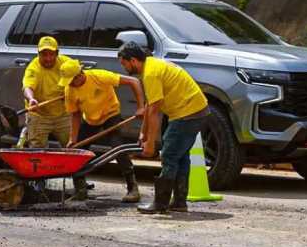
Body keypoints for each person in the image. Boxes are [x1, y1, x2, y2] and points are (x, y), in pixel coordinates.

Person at [118, 42, 209, 214]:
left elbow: (154, 111)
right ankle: (179, 202)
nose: (124, 68)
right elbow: (149, 104)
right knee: (180, 156)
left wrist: (150, 143)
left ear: (133, 60)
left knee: (169, 154)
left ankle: (160, 203)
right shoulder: (152, 66)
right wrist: (143, 133)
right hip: (197, 110)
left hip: (188, 113)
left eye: (124, 64)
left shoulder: (151, 73)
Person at [58, 58, 146, 202]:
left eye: (72, 80)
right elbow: (75, 114)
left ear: (80, 75)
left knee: (118, 148)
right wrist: (72, 139)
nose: (70, 84)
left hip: (111, 115)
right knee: (77, 150)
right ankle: (80, 189)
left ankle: (133, 188)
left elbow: (133, 81)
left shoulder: (99, 76)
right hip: (91, 119)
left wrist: (141, 106)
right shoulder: (70, 89)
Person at [22, 36, 72, 148]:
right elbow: (27, 87)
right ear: (38, 54)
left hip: (63, 114)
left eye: (51, 54)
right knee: (37, 150)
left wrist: (72, 93)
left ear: (57, 53)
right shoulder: (33, 68)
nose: (48, 58)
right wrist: (31, 99)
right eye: (44, 54)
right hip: (39, 114)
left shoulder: (67, 63)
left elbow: (80, 78)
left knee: (72, 147)